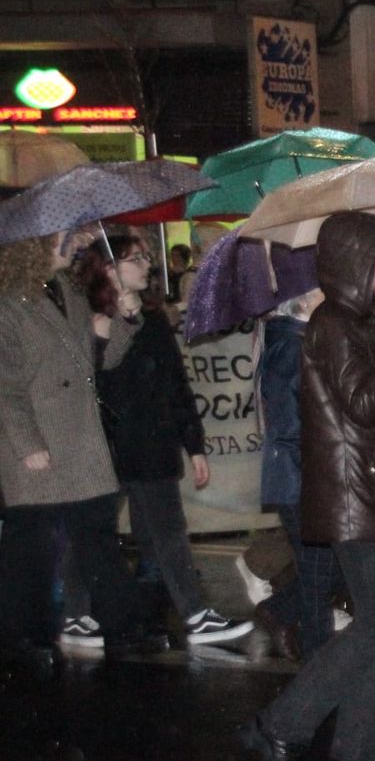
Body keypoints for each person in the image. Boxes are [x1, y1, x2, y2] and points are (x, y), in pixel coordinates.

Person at [240, 211, 375, 761]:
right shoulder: (332, 323)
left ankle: (357, 750)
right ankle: (280, 725)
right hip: (357, 498)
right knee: (374, 626)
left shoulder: (359, 320)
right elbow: (362, 402)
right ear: (360, 263)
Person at [60, 233, 251, 649]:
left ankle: (192, 613)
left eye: (147, 256)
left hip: (152, 443)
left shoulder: (154, 317)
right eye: (136, 259)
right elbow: (88, 375)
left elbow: (175, 382)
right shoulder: (86, 315)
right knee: (96, 530)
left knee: (164, 532)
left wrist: (194, 442)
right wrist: (111, 327)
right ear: (110, 269)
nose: (147, 264)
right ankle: (76, 613)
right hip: (108, 444)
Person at [0, 231, 162, 662]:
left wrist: (125, 319)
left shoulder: (67, 292)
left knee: (98, 538)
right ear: (33, 246)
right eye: (62, 240)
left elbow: (99, 361)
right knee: (31, 549)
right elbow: (6, 386)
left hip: (79, 440)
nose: (72, 245)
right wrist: (27, 443)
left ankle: (124, 627)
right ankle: (26, 639)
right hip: (38, 443)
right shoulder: (7, 304)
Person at [255, 288, 333, 662]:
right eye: (322, 293)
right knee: (320, 575)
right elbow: (291, 425)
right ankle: (320, 664)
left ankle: (280, 612)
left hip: (303, 476)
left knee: (326, 569)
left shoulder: (299, 342)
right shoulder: (292, 347)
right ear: (303, 301)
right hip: (300, 479)